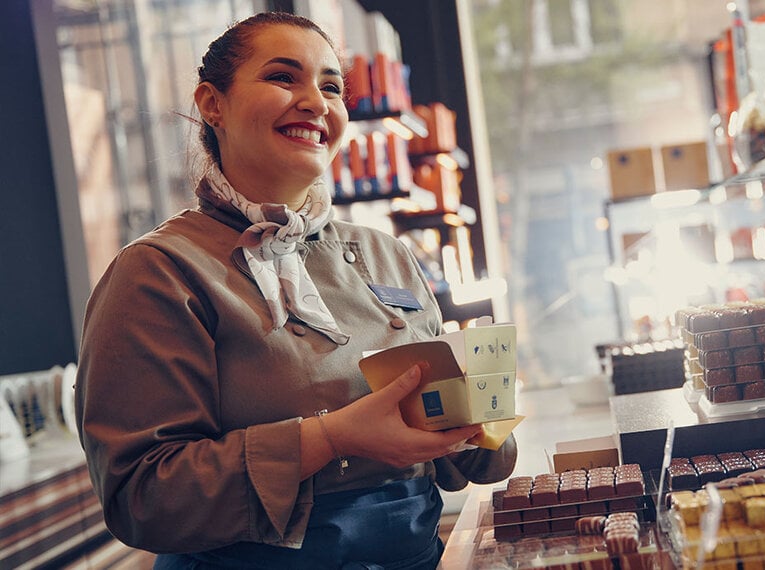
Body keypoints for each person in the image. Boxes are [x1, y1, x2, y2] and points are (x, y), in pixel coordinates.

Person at [74, 11, 516, 569]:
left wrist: (482, 417)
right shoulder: (159, 272)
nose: (316, 102)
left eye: (332, 87)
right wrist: (331, 438)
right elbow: (142, 499)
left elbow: (464, 466)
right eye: (284, 78)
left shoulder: (388, 254)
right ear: (213, 104)